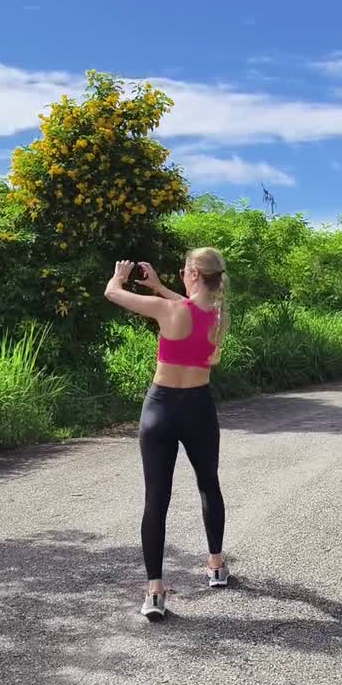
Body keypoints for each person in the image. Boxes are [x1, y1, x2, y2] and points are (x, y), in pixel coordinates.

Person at [103, 248, 231, 621]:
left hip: (160, 408)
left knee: (156, 499)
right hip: (198, 408)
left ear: (194, 274)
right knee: (208, 484)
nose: (181, 276)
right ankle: (216, 565)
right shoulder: (219, 316)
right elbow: (193, 306)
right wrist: (159, 286)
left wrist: (120, 276)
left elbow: (112, 293)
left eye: (184, 271)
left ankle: (155, 591)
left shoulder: (169, 310)